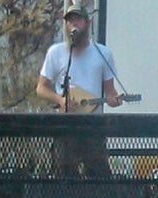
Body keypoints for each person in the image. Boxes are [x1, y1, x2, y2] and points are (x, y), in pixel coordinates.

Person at [36, 3, 122, 178]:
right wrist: (60, 100)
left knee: (99, 177)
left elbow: (110, 92)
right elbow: (41, 88)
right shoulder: (56, 52)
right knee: (65, 177)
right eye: (70, 21)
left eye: (78, 20)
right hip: (66, 127)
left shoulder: (103, 54)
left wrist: (114, 100)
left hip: (93, 127)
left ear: (87, 23)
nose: (74, 24)